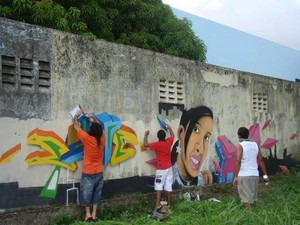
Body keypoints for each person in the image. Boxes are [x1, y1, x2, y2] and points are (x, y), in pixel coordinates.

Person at [73, 110, 105, 222]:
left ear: (91, 130)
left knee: (86, 194)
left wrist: (76, 116)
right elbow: (100, 126)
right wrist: (93, 117)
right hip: (99, 172)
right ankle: (94, 214)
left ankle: (88, 215)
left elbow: (76, 127)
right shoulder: (102, 139)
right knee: (97, 193)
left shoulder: (87, 139)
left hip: (88, 173)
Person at [171, 106, 214, 187]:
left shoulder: (202, 180)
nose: (201, 149)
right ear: (181, 133)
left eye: (206, 137)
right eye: (196, 129)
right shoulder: (169, 177)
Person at [233, 127, 269, 208]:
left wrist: (236, 176)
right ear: (248, 135)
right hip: (255, 175)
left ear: (238, 136)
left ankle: (248, 216)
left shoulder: (240, 146)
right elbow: (261, 160)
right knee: (253, 199)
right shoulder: (255, 144)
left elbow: (238, 161)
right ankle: (254, 216)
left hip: (244, 175)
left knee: (245, 200)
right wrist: (265, 174)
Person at [143, 124, 175, 211]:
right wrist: (169, 128)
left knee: (158, 186)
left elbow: (145, 144)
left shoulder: (157, 145)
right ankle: (169, 205)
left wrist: (146, 134)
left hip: (161, 169)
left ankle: (157, 204)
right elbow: (173, 136)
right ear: (165, 136)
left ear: (157, 137)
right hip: (169, 168)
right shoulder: (168, 142)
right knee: (169, 185)